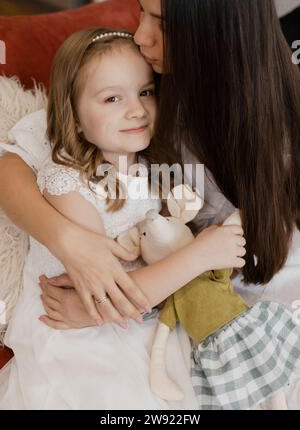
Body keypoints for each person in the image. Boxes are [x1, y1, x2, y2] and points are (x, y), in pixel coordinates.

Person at [0, 0, 299, 339]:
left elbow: (223, 270)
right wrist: (71, 242)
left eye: (164, 23)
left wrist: (103, 308)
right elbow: (15, 161)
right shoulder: (144, 79)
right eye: (142, 10)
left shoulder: (278, 137)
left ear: (216, 27)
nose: (140, 36)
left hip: (232, 308)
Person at [0, 28, 245, 409]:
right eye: (112, 98)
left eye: (145, 92)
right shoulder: (66, 182)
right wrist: (201, 255)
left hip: (141, 315)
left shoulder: (148, 168)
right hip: (82, 335)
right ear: (75, 116)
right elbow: (107, 300)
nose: (136, 109)